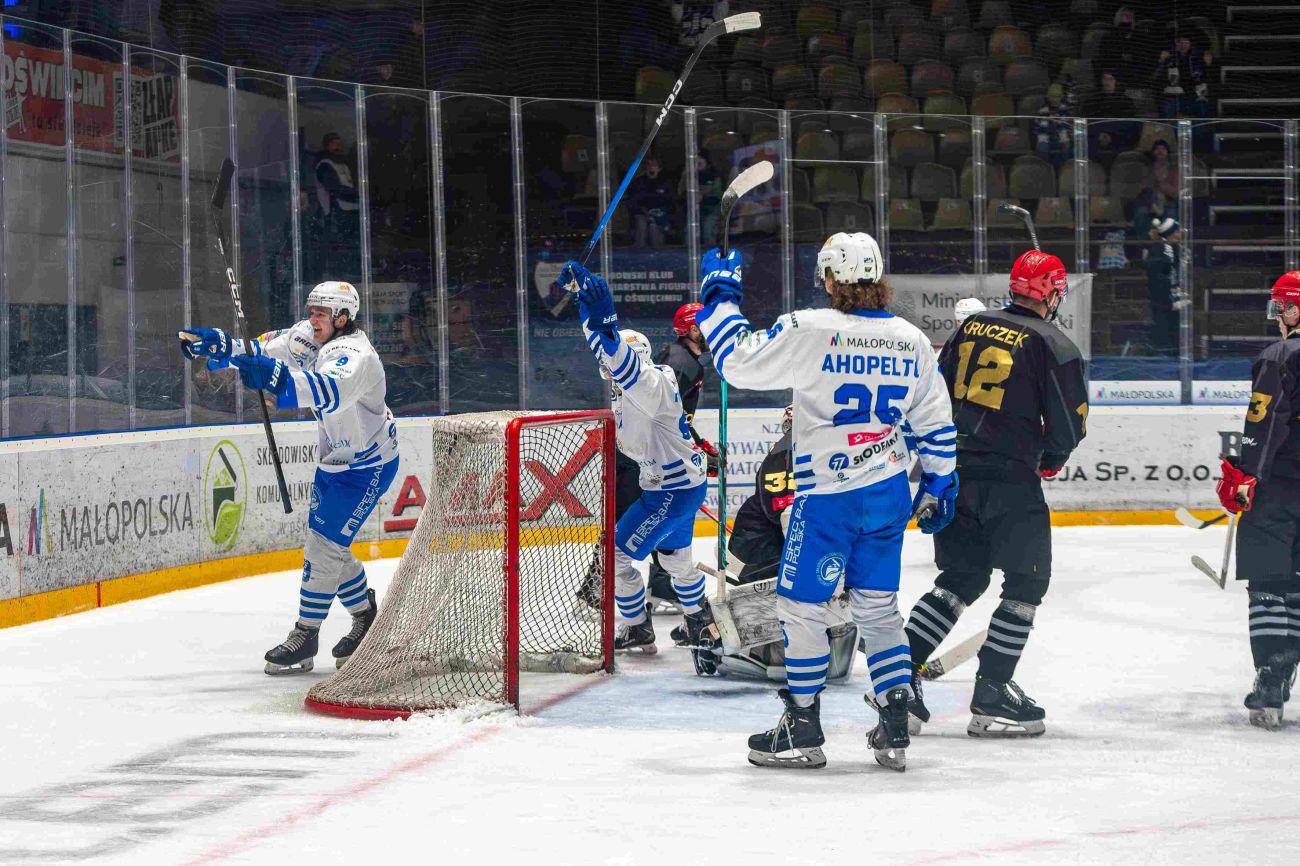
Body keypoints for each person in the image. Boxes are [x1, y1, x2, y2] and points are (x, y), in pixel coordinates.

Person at [697, 232, 959, 771]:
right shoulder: (910, 338)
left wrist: (721, 297)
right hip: (888, 493)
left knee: (801, 610)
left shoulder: (810, 328)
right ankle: (894, 722)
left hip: (827, 498)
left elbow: (738, 363)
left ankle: (802, 725)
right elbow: (935, 420)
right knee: (879, 611)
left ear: (829, 278)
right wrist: (940, 481)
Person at [903, 250, 1089, 738]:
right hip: (1010, 480)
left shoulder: (972, 325)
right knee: (1027, 583)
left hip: (954, 473)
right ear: (1052, 292)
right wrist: (1052, 455)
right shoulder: (1054, 343)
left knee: (959, 578)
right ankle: (992, 690)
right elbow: (1069, 426)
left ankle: (899, 682)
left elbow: (934, 395)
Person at [179, 281, 400, 674]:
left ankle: (306, 633)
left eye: (321, 313)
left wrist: (276, 378)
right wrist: (220, 348)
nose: (313, 319)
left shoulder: (356, 355)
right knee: (328, 545)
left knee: (323, 545)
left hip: (368, 464)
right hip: (333, 460)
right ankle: (366, 616)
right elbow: (257, 351)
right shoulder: (304, 337)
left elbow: (328, 390)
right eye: (312, 311)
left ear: (342, 318)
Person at [562, 260, 716, 655]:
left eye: (613, 362)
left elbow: (615, 353)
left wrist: (606, 322)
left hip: (669, 491)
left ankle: (636, 627)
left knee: (613, 558)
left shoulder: (647, 384)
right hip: (681, 486)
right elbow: (606, 349)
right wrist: (585, 306)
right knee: (677, 561)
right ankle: (700, 621)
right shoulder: (635, 383)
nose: (605, 367)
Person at [1214, 271, 1300, 730]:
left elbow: (1265, 421)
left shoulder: (1280, 355)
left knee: (1269, 580)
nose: (1279, 317)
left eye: (1282, 307)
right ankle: (1288, 660)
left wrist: (1246, 474)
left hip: (1282, 486)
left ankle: (1272, 674)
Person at [1143, 216, 1185, 355]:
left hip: (1171, 293)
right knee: (1163, 323)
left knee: (1173, 324)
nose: (1180, 234)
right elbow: (1154, 269)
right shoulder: (1160, 247)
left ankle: (1173, 351)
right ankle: (1163, 352)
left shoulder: (1174, 248)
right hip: (1162, 295)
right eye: (1178, 231)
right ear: (1171, 233)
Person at [1155, 36, 1211, 119]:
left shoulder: (1197, 57)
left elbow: (1204, 76)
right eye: (1179, 42)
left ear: (1190, 44)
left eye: (1186, 42)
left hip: (1194, 94)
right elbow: (1159, 76)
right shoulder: (1169, 57)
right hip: (1173, 95)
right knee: (1167, 108)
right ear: (1175, 44)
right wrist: (1161, 61)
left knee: (1203, 107)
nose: (1182, 45)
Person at [627, 156, 675, 248]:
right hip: (641, 213)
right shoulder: (638, 182)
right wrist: (644, 211)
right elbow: (633, 201)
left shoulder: (665, 183)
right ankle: (639, 251)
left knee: (655, 227)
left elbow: (670, 200)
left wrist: (660, 212)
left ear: (659, 168)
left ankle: (658, 251)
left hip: (659, 213)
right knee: (641, 225)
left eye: (654, 165)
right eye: (648, 165)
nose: (651, 167)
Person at [1034, 83, 1074, 167]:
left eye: (1057, 96)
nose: (1055, 99)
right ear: (1048, 97)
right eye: (1052, 96)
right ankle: (1045, 167)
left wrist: (1059, 126)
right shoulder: (1042, 110)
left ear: (1061, 97)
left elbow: (1067, 124)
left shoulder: (1065, 109)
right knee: (1042, 147)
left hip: (1062, 134)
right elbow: (1040, 126)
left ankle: (1064, 167)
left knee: (1066, 144)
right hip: (1045, 134)